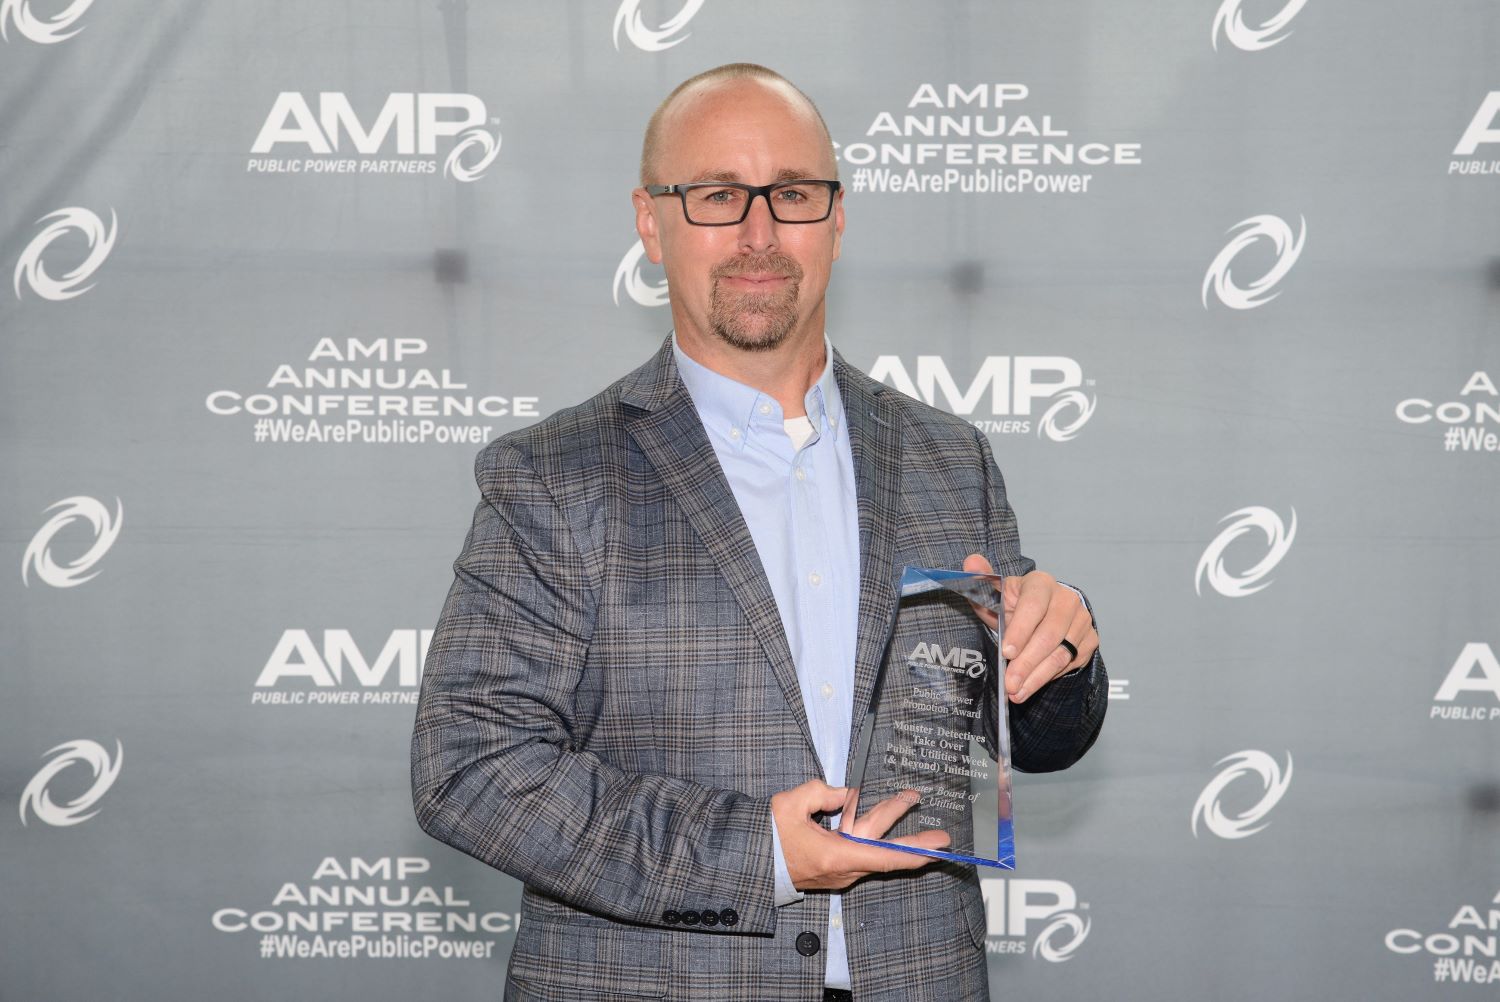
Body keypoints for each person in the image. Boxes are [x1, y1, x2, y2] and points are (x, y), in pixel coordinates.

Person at [411, 63, 1107, 1002]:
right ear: (651, 223)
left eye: (792, 193)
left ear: (837, 216)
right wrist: (757, 855)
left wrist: (1057, 660)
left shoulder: (950, 457)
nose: (758, 232)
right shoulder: (553, 474)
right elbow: (468, 765)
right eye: (716, 196)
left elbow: (1033, 733)